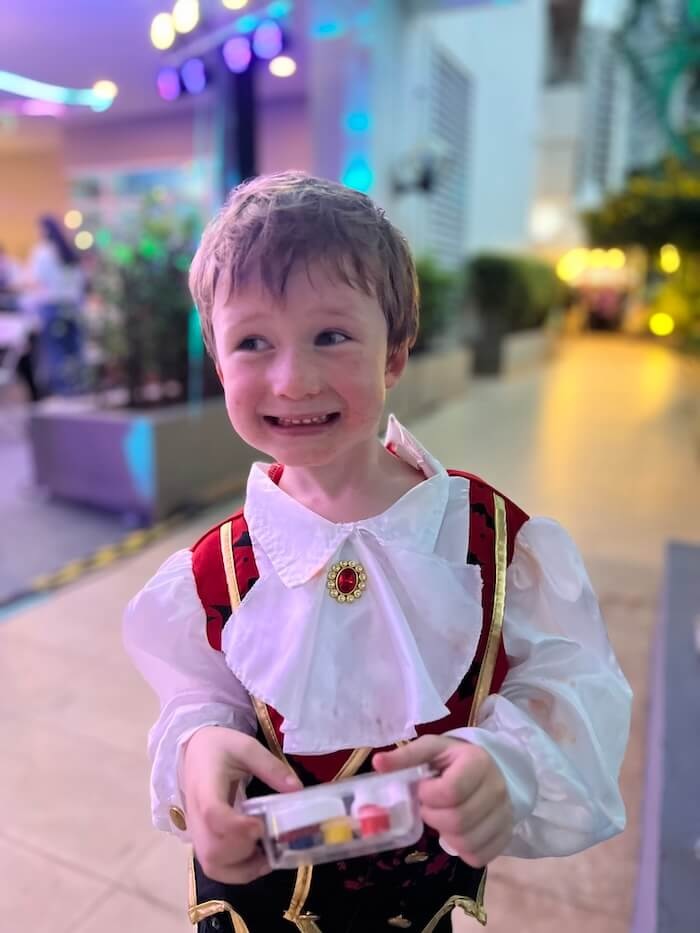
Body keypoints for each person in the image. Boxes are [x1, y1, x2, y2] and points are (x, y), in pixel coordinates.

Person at [124, 173, 632, 933]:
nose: (292, 379)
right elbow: (202, 697)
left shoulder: (489, 543)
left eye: (331, 334)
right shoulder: (213, 572)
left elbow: (572, 691)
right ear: (219, 361)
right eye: (252, 342)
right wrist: (199, 748)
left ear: (395, 352)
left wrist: (509, 764)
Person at [24, 215, 85, 395]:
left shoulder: (42, 252)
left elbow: (36, 281)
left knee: (55, 351)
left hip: (51, 307)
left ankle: (64, 390)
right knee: (73, 349)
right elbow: (80, 282)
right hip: (72, 306)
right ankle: (79, 386)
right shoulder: (69, 252)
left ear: (44, 230)